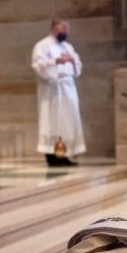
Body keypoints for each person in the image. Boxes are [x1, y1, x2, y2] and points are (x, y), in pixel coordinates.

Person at [31, 18, 86, 166]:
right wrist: (55, 61)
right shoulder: (42, 46)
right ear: (54, 29)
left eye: (67, 30)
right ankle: (51, 156)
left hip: (68, 87)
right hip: (52, 90)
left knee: (67, 122)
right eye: (64, 29)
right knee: (52, 122)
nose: (66, 33)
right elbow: (38, 65)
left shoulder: (68, 47)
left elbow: (78, 65)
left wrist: (72, 60)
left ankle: (64, 154)